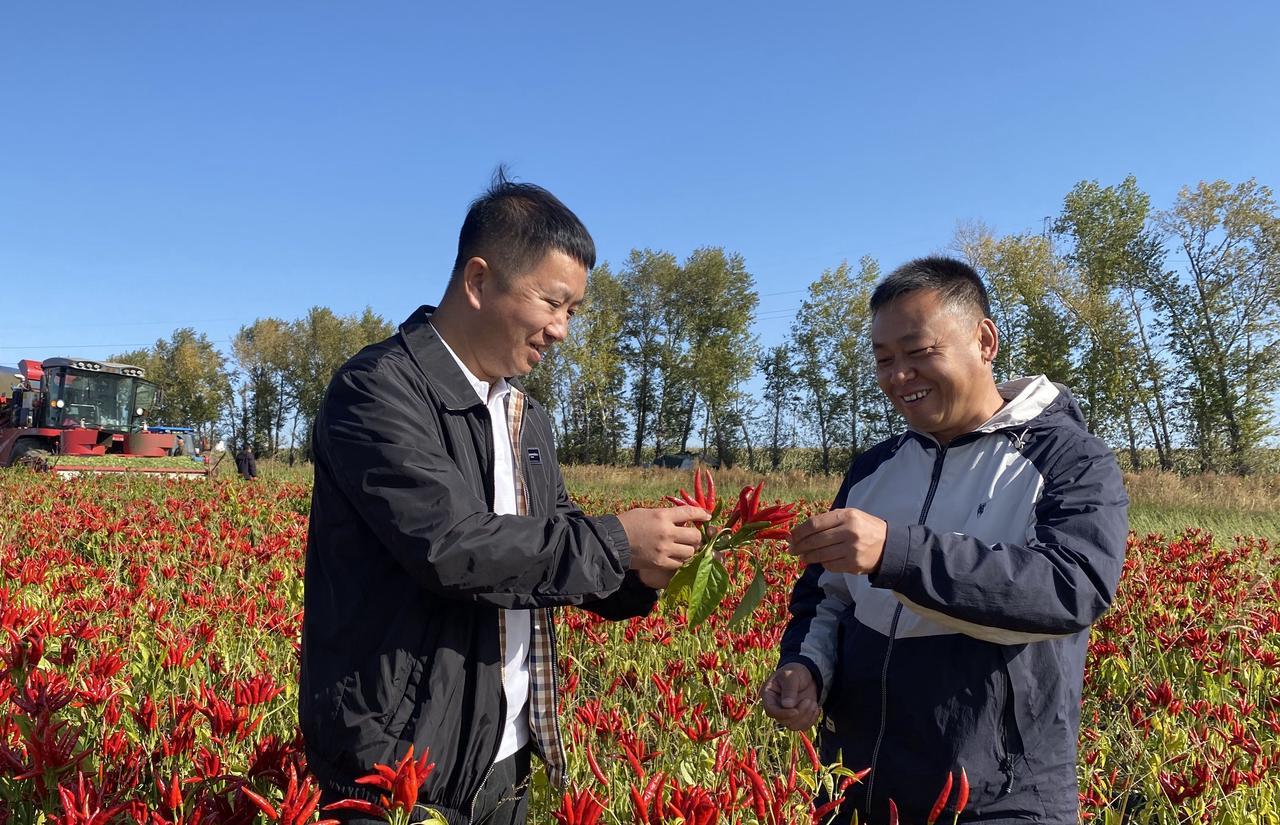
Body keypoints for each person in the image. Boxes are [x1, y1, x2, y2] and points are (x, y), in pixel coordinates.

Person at [300, 172, 709, 825]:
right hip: (397, 762)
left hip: (503, 752)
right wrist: (618, 540)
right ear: (479, 281)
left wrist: (639, 573)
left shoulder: (524, 416)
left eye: (573, 311)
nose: (562, 330)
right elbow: (451, 545)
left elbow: (552, 541)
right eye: (552, 302)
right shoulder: (378, 391)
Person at [761, 257, 1128, 824]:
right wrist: (807, 667)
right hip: (859, 781)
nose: (898, 376)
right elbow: (826, 595)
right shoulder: (873, 469)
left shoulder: (1069, 459)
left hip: (1000, 794)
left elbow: (1070, 587)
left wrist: (895, 553)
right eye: (884, 360)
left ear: (984, 341)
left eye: (918, 352)